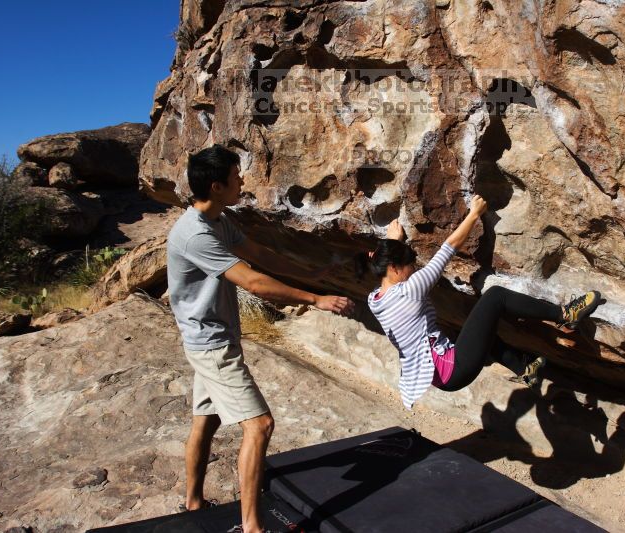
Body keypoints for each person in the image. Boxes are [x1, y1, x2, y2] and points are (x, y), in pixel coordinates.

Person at [167, 144, 354, 533]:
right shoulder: (195, 234)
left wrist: (310, 274)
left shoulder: (220, 218)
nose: (243, 181)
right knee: (260, 425)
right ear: (216, 186)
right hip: (212, 345)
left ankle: (193, 500)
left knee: (206, 420)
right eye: (236, 177)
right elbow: (252, 282)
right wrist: (315, 298)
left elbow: (258, 255)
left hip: (213, 337)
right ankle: (252, 528)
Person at [357, 195, 600, 410]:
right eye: (410, 266)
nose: (413, 270)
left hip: (440, 375)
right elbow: (449, 247)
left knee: (479, 330)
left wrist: (394, 244)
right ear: (394, 268)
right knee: (495, 297)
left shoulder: (375, 300)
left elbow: (387, 263)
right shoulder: (411, 289)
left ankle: (525, 368)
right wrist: (474, 213)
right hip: (454, 369)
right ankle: (566, 314)